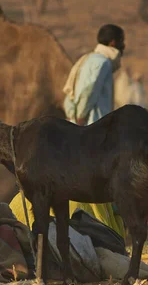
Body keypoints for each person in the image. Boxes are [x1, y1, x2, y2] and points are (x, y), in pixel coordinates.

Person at [52, 24, 127, 237]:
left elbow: (70, 98)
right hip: (93, 131)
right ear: (114, 43)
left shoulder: (89, 60)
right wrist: (82, 121)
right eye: (121, 41)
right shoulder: (101, 62)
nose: (123, 46)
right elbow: (87, 92)